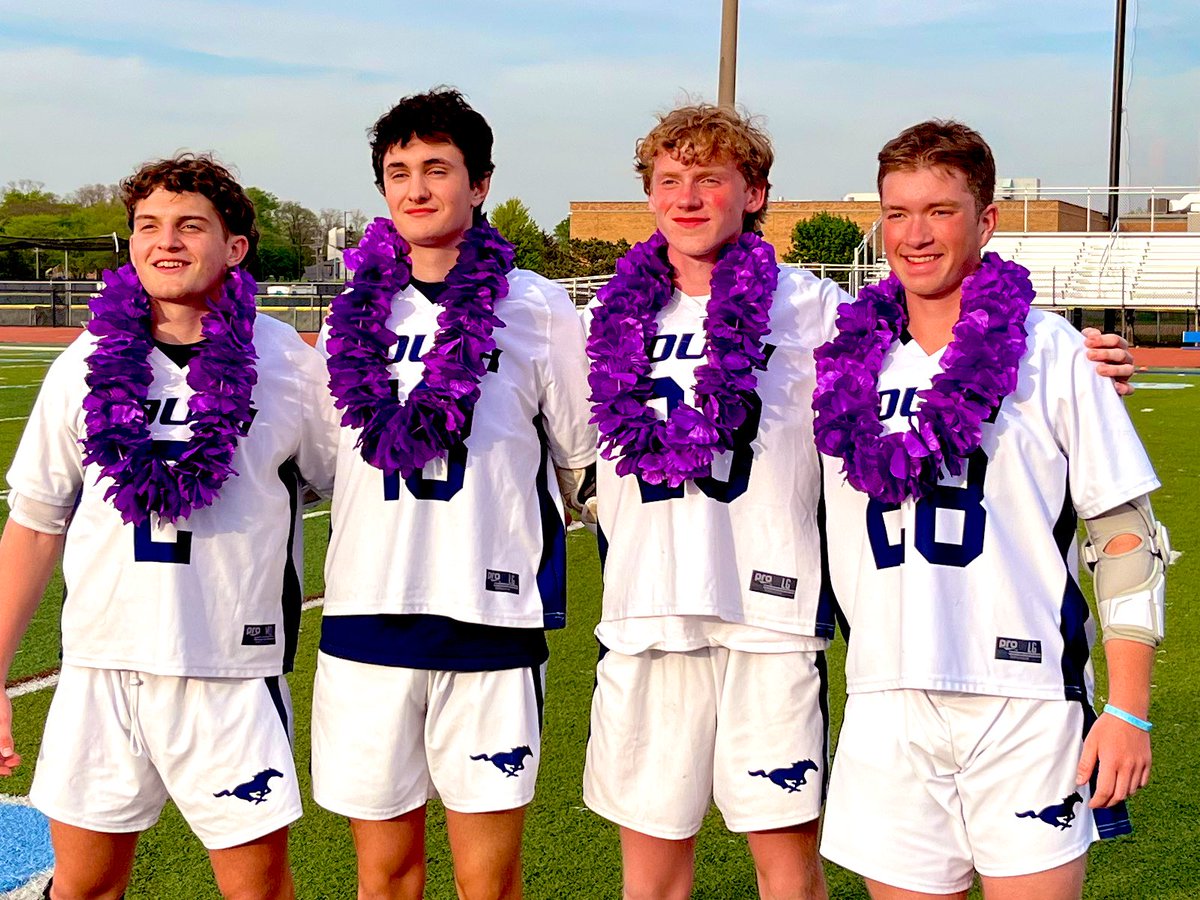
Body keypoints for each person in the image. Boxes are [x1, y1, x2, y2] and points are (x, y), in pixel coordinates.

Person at [581, 105, 1138, 900]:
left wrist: (1079, 356)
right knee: (652, 876)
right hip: (661, 627)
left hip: (780, 626)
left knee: (790, 872)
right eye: (670, 181)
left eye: (711, 178)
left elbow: (943, 323)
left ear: (757, 193)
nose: (689, 197)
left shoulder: (819, 312)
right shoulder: (602, 321)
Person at [816, 120, 1169, 900]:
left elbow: (1125, 540)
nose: (915, 235)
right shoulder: (841, 360)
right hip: (886, 695)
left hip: (1026, 698)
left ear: (987, 220)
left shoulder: (1052, 352)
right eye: (897, 212)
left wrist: (1130, 710)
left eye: (940, 210)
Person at [0, 154, 338, 900]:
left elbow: (348, 490)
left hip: (230, 669)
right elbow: (33, 523)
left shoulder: (287, 363)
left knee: (256, 890)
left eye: (191, 225)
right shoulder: (87, 361)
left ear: (235, 247)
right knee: (84, 886)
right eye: (149, 226)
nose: (167, 242)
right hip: (102, 665)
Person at [310, 88, 595, 900]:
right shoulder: (348, 314)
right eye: (398, 172)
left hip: (490, 622)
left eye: (438, 168)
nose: (417, 188)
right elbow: (333, 465)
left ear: (482, 183)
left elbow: (582, 459)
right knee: (386, 874)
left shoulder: (537, 306)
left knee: (488, 879)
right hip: (367, 616)